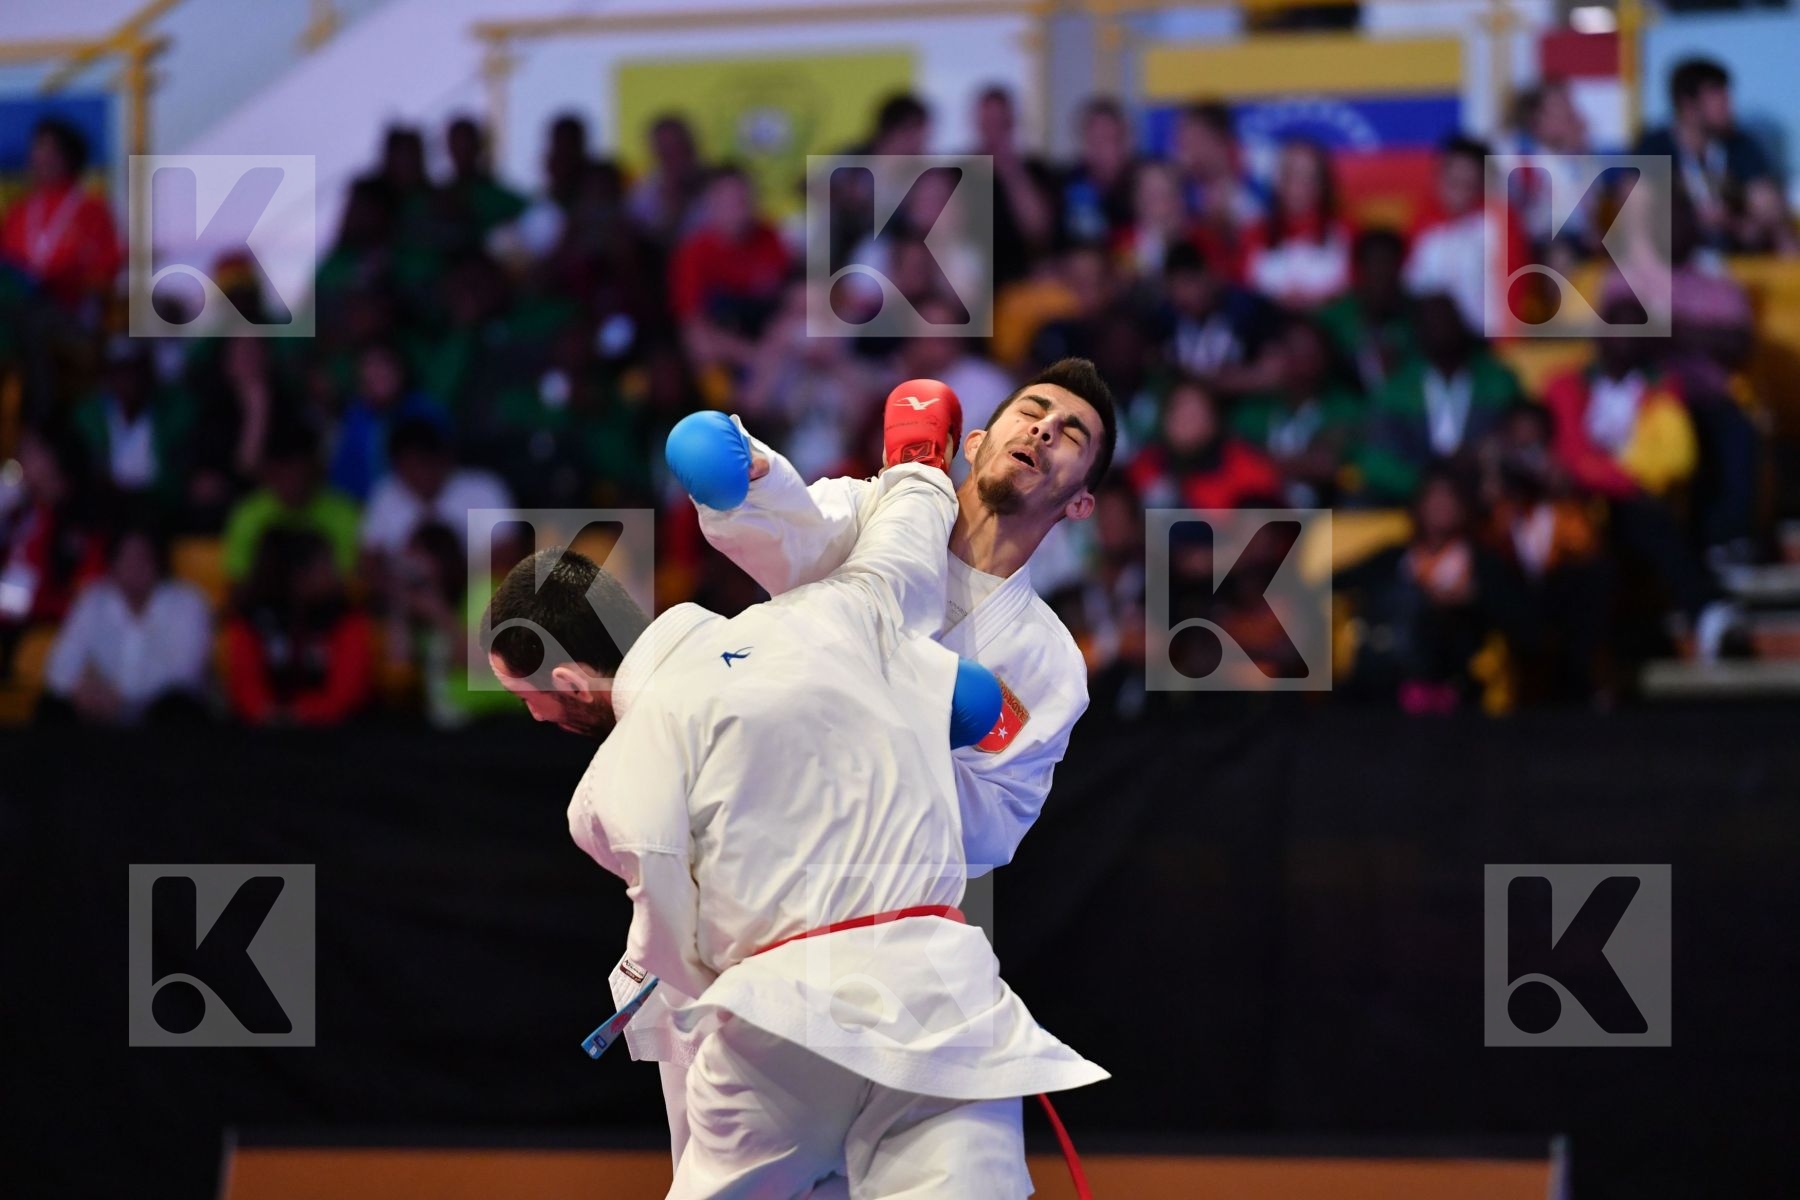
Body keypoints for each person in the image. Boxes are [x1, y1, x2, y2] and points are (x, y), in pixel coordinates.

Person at [483, 383, 1106, 1196]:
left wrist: (903, 727)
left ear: (1083, 499)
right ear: (976, 440)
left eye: (1072, 433)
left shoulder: (1048, 659)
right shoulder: (864, 522)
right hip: (797, 925)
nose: (1045, 431)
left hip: (900, 902)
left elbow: (992, 832)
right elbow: (819, 546)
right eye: (1034, 412)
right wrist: (750, 482)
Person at [41, 524, 211, 725]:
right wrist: (82, 688)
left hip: (157, 715)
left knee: (177, 708)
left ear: (158, 561)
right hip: (99, 710)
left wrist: (122, 698)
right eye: (126, 558)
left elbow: (184, 674)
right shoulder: (93, 600)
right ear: (112, 564)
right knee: (51, 707)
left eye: (142, 558)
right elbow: (58, 670)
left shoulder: (187, 602)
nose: (134, 567)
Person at [1634, 57, 1797, 256]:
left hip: (1733, 251)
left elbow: (1767, 205)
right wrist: (1693, 220)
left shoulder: (1741, 144)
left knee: (1781, 232)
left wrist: (1735, 223)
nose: (1727, 105)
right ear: (1688, 105)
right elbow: (1634, 212)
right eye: (1718, 97)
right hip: (1674, 257)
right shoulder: (1654, 146)